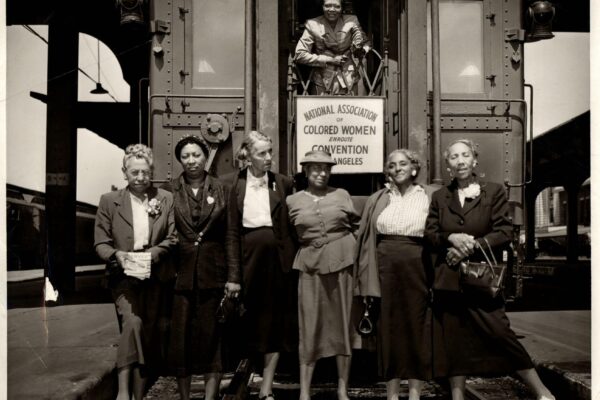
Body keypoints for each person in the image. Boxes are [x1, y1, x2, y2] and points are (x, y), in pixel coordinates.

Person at [424, 139, 555, 400]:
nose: (460, 161)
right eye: (453, 157)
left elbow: (504, 231)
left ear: (475, 160)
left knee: (500, 332)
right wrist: (451, 239)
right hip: (449, 280)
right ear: (448, 164)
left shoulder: (493, 191)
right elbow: (430, 233)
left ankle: (542, 392)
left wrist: (470, 245)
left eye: (465, 155)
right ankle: (458, 396)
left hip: (481, 277)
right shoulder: (440, 196)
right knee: (454, 339)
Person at [94, 144, 177, 400]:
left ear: (151, 171)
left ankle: (138, 395)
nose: (140, 178)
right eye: (134, 172)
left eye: (145, 172)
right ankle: (122, 392)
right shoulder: (109, 201)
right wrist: (116, 255)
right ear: (124, 172)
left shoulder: (165, 198)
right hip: (123, 276)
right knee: (133, 322)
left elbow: (172, 237)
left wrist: (154, 253)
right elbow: (100, 241)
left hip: (155, 276)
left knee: (147, 334)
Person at [164, 135, 241, 400]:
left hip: (214, 274)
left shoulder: (221, 189)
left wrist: (233, 277)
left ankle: (210, 397)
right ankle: (185, 397)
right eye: (185, 156)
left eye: (196, 155)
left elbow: (231, 235)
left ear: (205, 156)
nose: (191, 161)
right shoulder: (169, 190)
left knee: (212, 339)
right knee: (180, 340)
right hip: (180, 276)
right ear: (179, 160)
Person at [224, 131, 298, 400]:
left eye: (270, 152)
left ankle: (266, 387)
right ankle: (245, 375)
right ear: (246, 155)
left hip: (277, 264)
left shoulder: (284, 183)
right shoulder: (231, 185)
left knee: (274, 323)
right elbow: (231, 232)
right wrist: (233, 275)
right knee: (247, 320)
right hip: (247, 261)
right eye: (261, 153)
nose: (268, 158)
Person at [354, 149, 433, 400]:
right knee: (387, 326)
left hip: (418, 264)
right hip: (384, 265)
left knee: (416, 326)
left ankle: (414, 393)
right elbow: (365, 236)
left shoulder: (429, 195)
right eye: (392, 165)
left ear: (414, 168)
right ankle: (391, 394)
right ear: (387, 171)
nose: (397, 168)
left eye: (403, 164)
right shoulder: (378, 198)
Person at [286, 150, 360, 400]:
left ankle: (342, 389)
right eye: (315, 167)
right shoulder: (292, 200)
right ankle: (305, 391)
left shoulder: (342, 195)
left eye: (326, 168)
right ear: (305, 171)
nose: (321, 172)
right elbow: (287, 236)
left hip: (343, 263)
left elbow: (357, 227)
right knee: (309, 325)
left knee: (343, 323)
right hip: (309, 266)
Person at [294, 0, 371, 95]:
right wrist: (329, 59)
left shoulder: (351, 21)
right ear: (322, 7)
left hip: (349, 78)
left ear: (342, 8)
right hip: (322, 80)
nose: (332, 10)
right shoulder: (313, 25)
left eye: (336, 6)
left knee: (349, 108)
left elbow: (365, 43)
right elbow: (300, 54)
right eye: (327, 6)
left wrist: (361, 50)